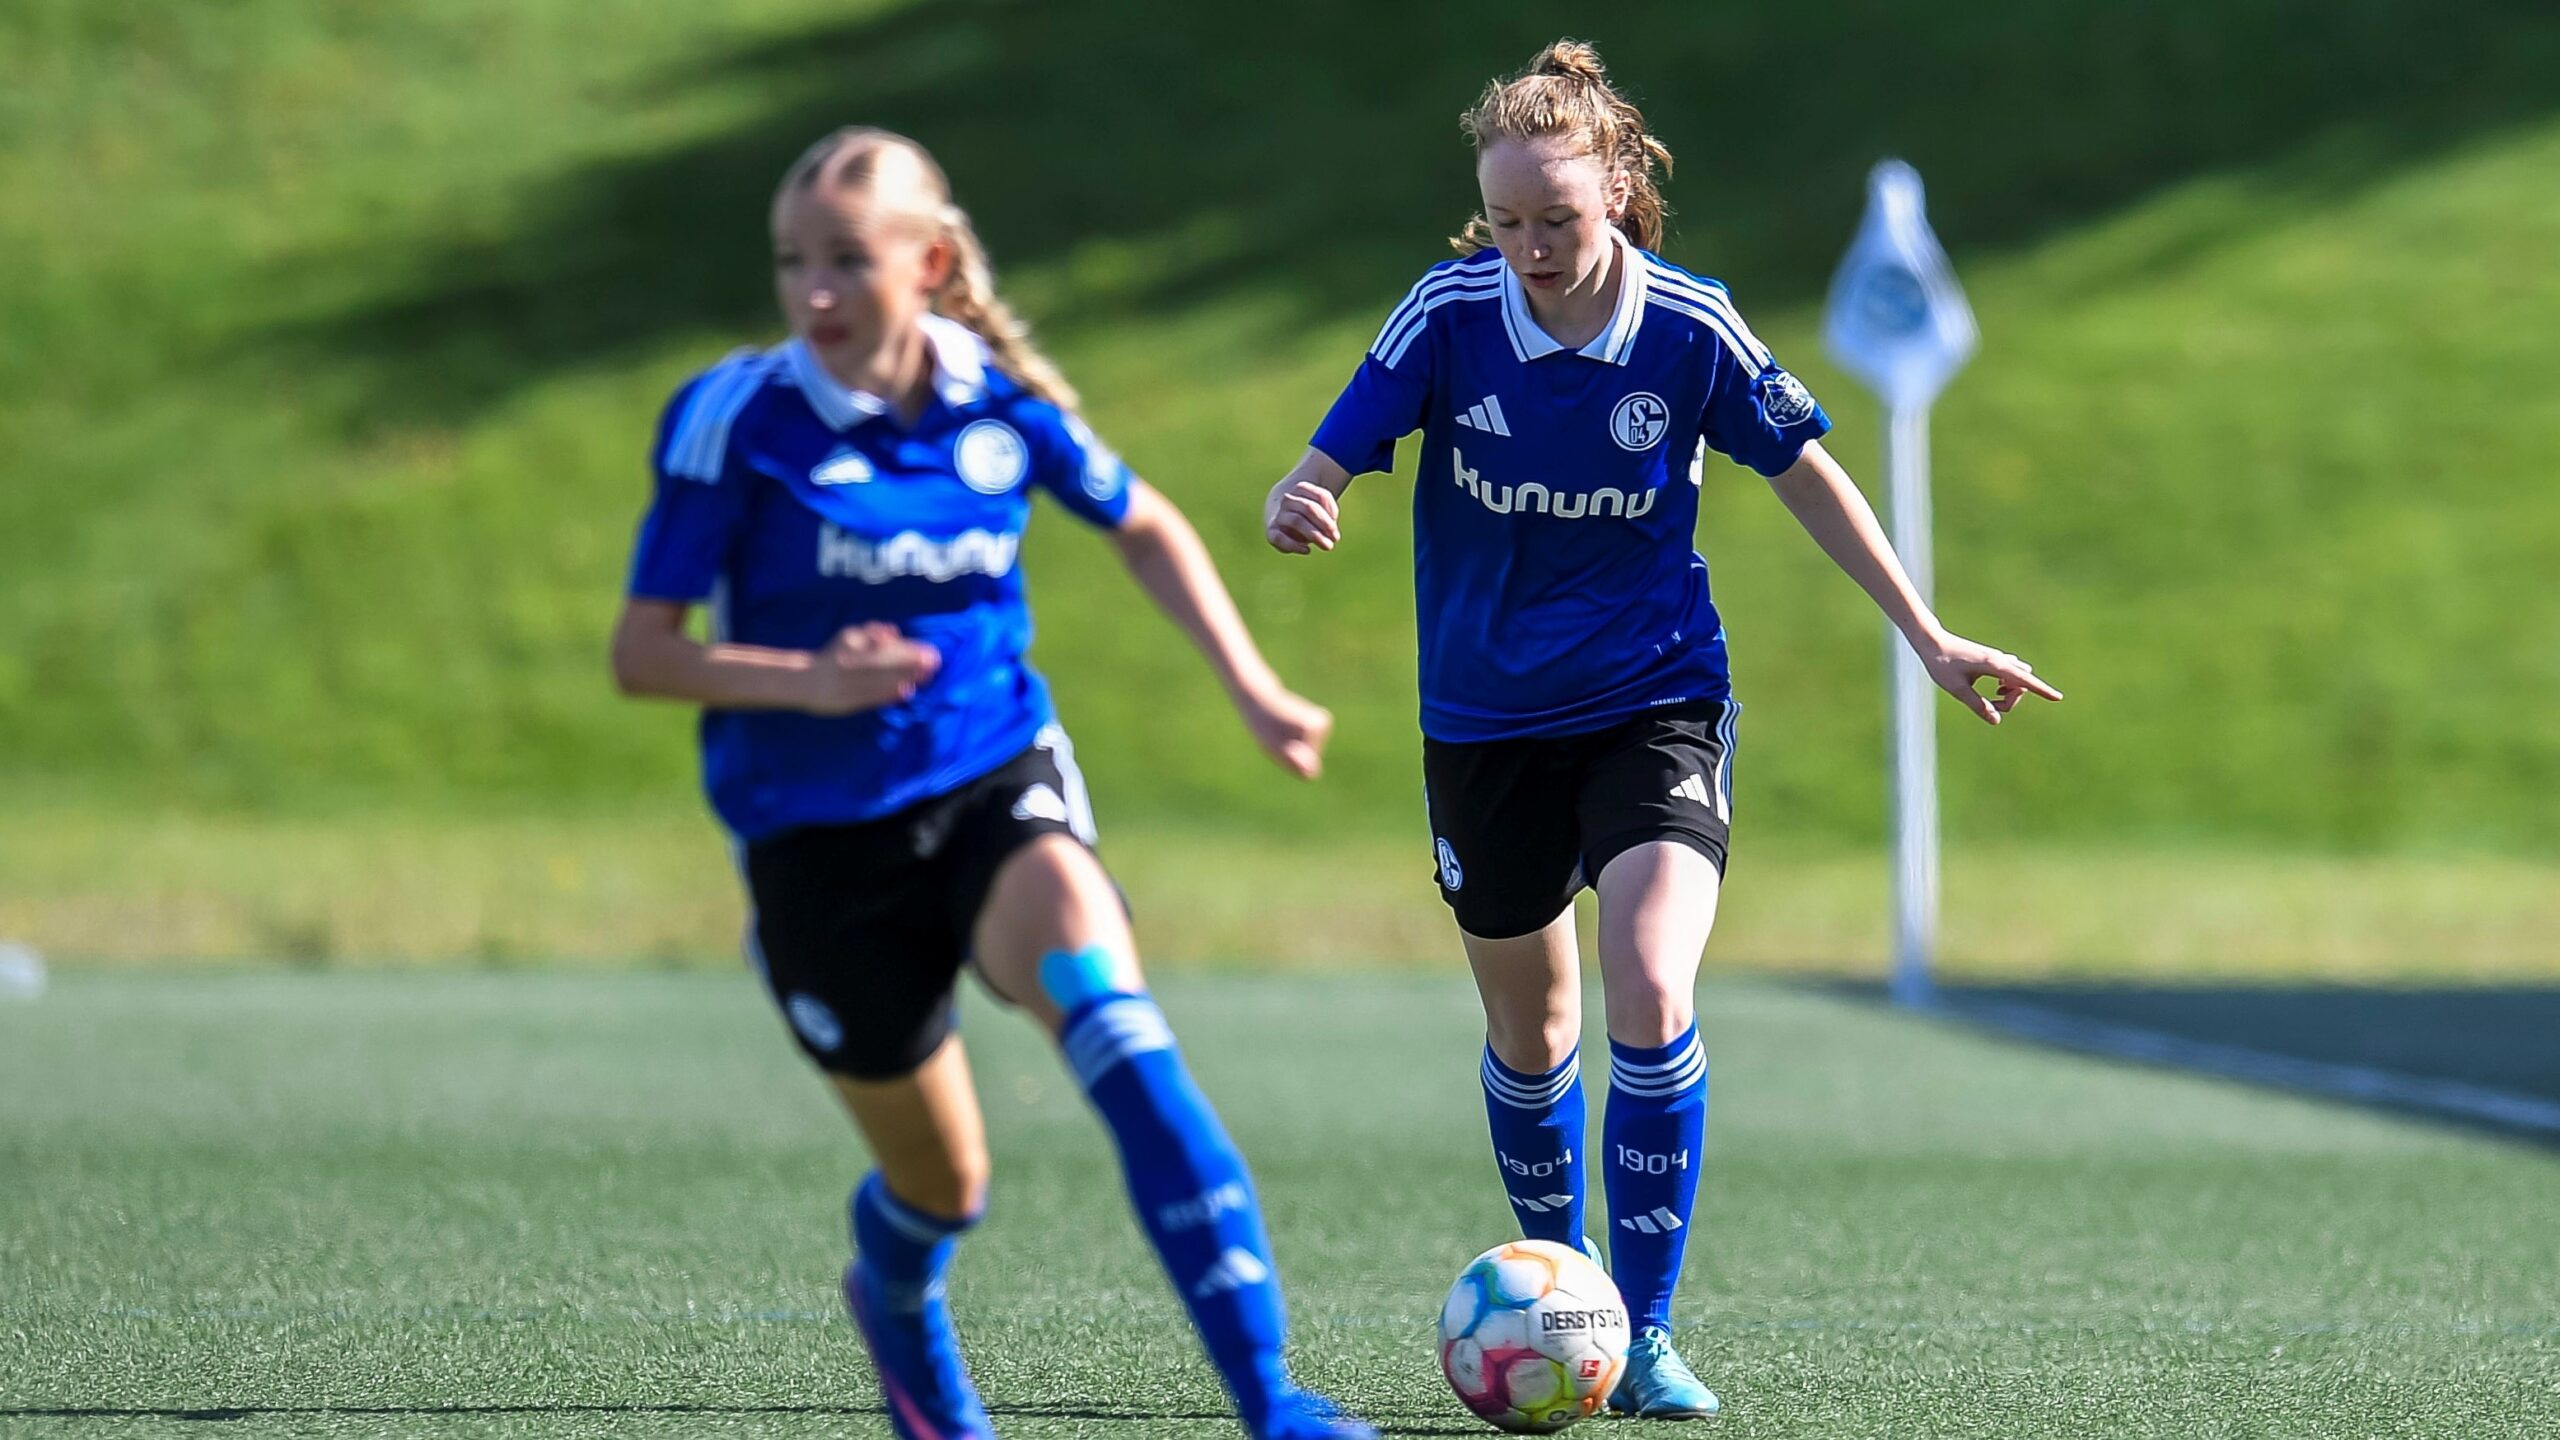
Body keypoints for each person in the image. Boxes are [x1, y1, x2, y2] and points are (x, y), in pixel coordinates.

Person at [1264, 41, 2061, 1422]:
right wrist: (1306, 490)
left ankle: (1638, 1335)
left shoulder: (1691, 326)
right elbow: (1335, 445)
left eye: (1556, 222)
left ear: (1619, 190)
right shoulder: (1447, 315)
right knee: (1534, 1028)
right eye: (1506, 223)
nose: (1529, 249)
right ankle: (1562, 1272)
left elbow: (1808, 473)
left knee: (1647, 981)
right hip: (1484, 723)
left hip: (1655, 702)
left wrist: (1929, 636)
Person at [612, 126, 1374, 1440]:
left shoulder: (1001, 411)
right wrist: (807, 680)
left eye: (850, 260)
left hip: (993, 779)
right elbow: (643, 657)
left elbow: (1142, 521)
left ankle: (1273, 1403)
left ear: (934, 260)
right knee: (943, 1185)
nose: (817, 295)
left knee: (1116, 1022)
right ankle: (898, 1306)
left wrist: (1251, 686)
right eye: (795, 263)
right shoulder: (735, 418)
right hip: (818, 847)